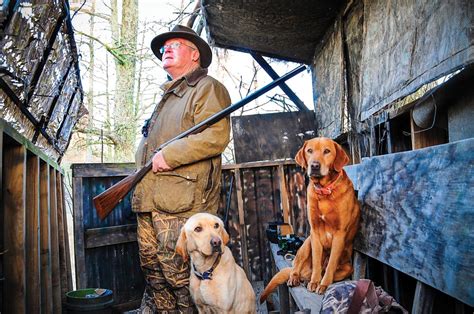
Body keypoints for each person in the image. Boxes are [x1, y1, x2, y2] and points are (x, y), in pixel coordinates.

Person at [131, 25, 231, 313]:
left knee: (181, 277)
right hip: (150, 200)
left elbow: (215, 137)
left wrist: (171, 155)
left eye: (176, 44)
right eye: (165, 47)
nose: (167, 49)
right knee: (154, 274)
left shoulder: (207, 88)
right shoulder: (166, 98)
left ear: (195, 54)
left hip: (182, 204)